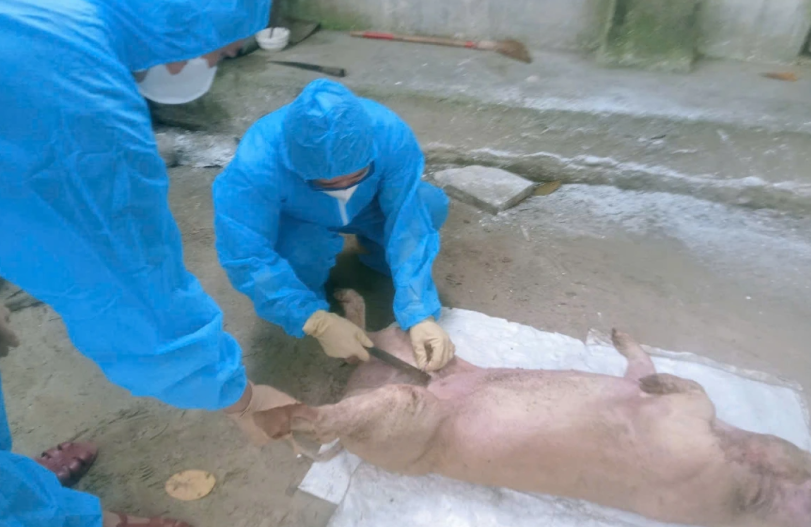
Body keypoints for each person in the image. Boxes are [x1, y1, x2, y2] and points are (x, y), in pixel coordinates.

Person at [0, 1, 298, 526]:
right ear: (190, 26)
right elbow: (131, 292)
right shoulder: (73, 96)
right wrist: (240, 397)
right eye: (226, 51)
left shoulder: (51, 17)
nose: (221, 59)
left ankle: (16, 487)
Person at [213, 80, 456, 371]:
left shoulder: (389, 134)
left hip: (366, 208)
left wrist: (419, 312)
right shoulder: (257, 163)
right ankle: (309, 298)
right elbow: (246, 252)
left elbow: (409, 222)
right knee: (301, 257)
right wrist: (313, 320)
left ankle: (374, 250)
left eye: (356, 176)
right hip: (300, 218)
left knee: (429, 205)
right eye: (328, 183)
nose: (343, 187)